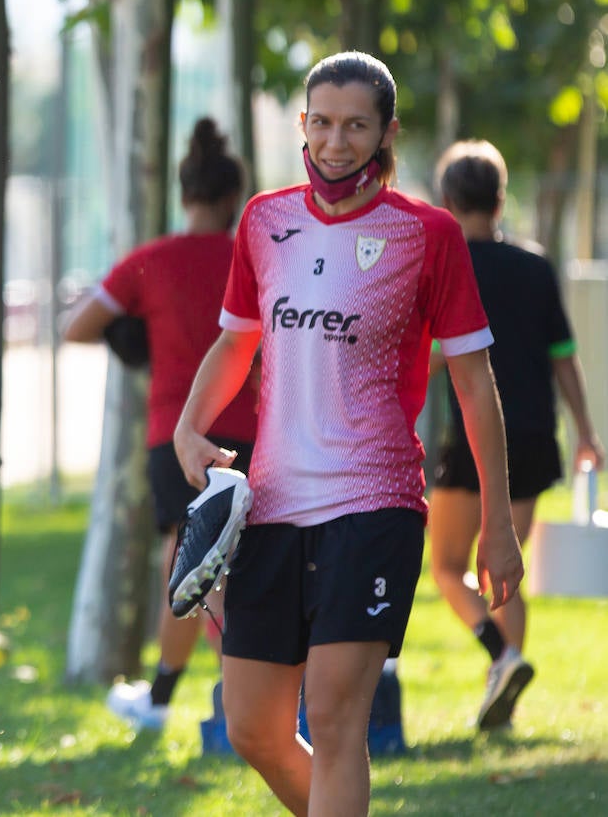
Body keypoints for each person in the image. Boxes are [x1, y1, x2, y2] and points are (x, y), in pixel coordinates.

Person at [173, 51, 523, 815]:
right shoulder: (264, 221)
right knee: (254, 728)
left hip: (376, 504)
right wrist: (189, 425)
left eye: (356, 125)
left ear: (386, 131)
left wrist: (497, 522)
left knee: (333, 718)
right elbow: (236, 341)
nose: (336, 142)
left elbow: (473, 381)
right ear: (303, 123)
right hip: (269, 506)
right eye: (323, 123)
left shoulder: (427, 234)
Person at [63, 117, 258, 730]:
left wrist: (136, 339)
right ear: (232, 200)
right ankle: (172, 697)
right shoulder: (250, 259)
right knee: (215, 566)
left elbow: (76, 326)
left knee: (199, 566)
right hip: (252, 429)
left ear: (184, 195)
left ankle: (236, 701)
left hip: (177, 434)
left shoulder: (150, 261)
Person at [428, 139, 605, 731]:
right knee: (504, 571)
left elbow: (428, 359)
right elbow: (564, 357)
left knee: (450, 567)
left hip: (473, 436)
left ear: (448, 200)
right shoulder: (535, 266)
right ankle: (502, 697)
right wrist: (585, 432)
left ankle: (501, 656)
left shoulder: (448, 266)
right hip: (533, 438)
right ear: (501, 200)